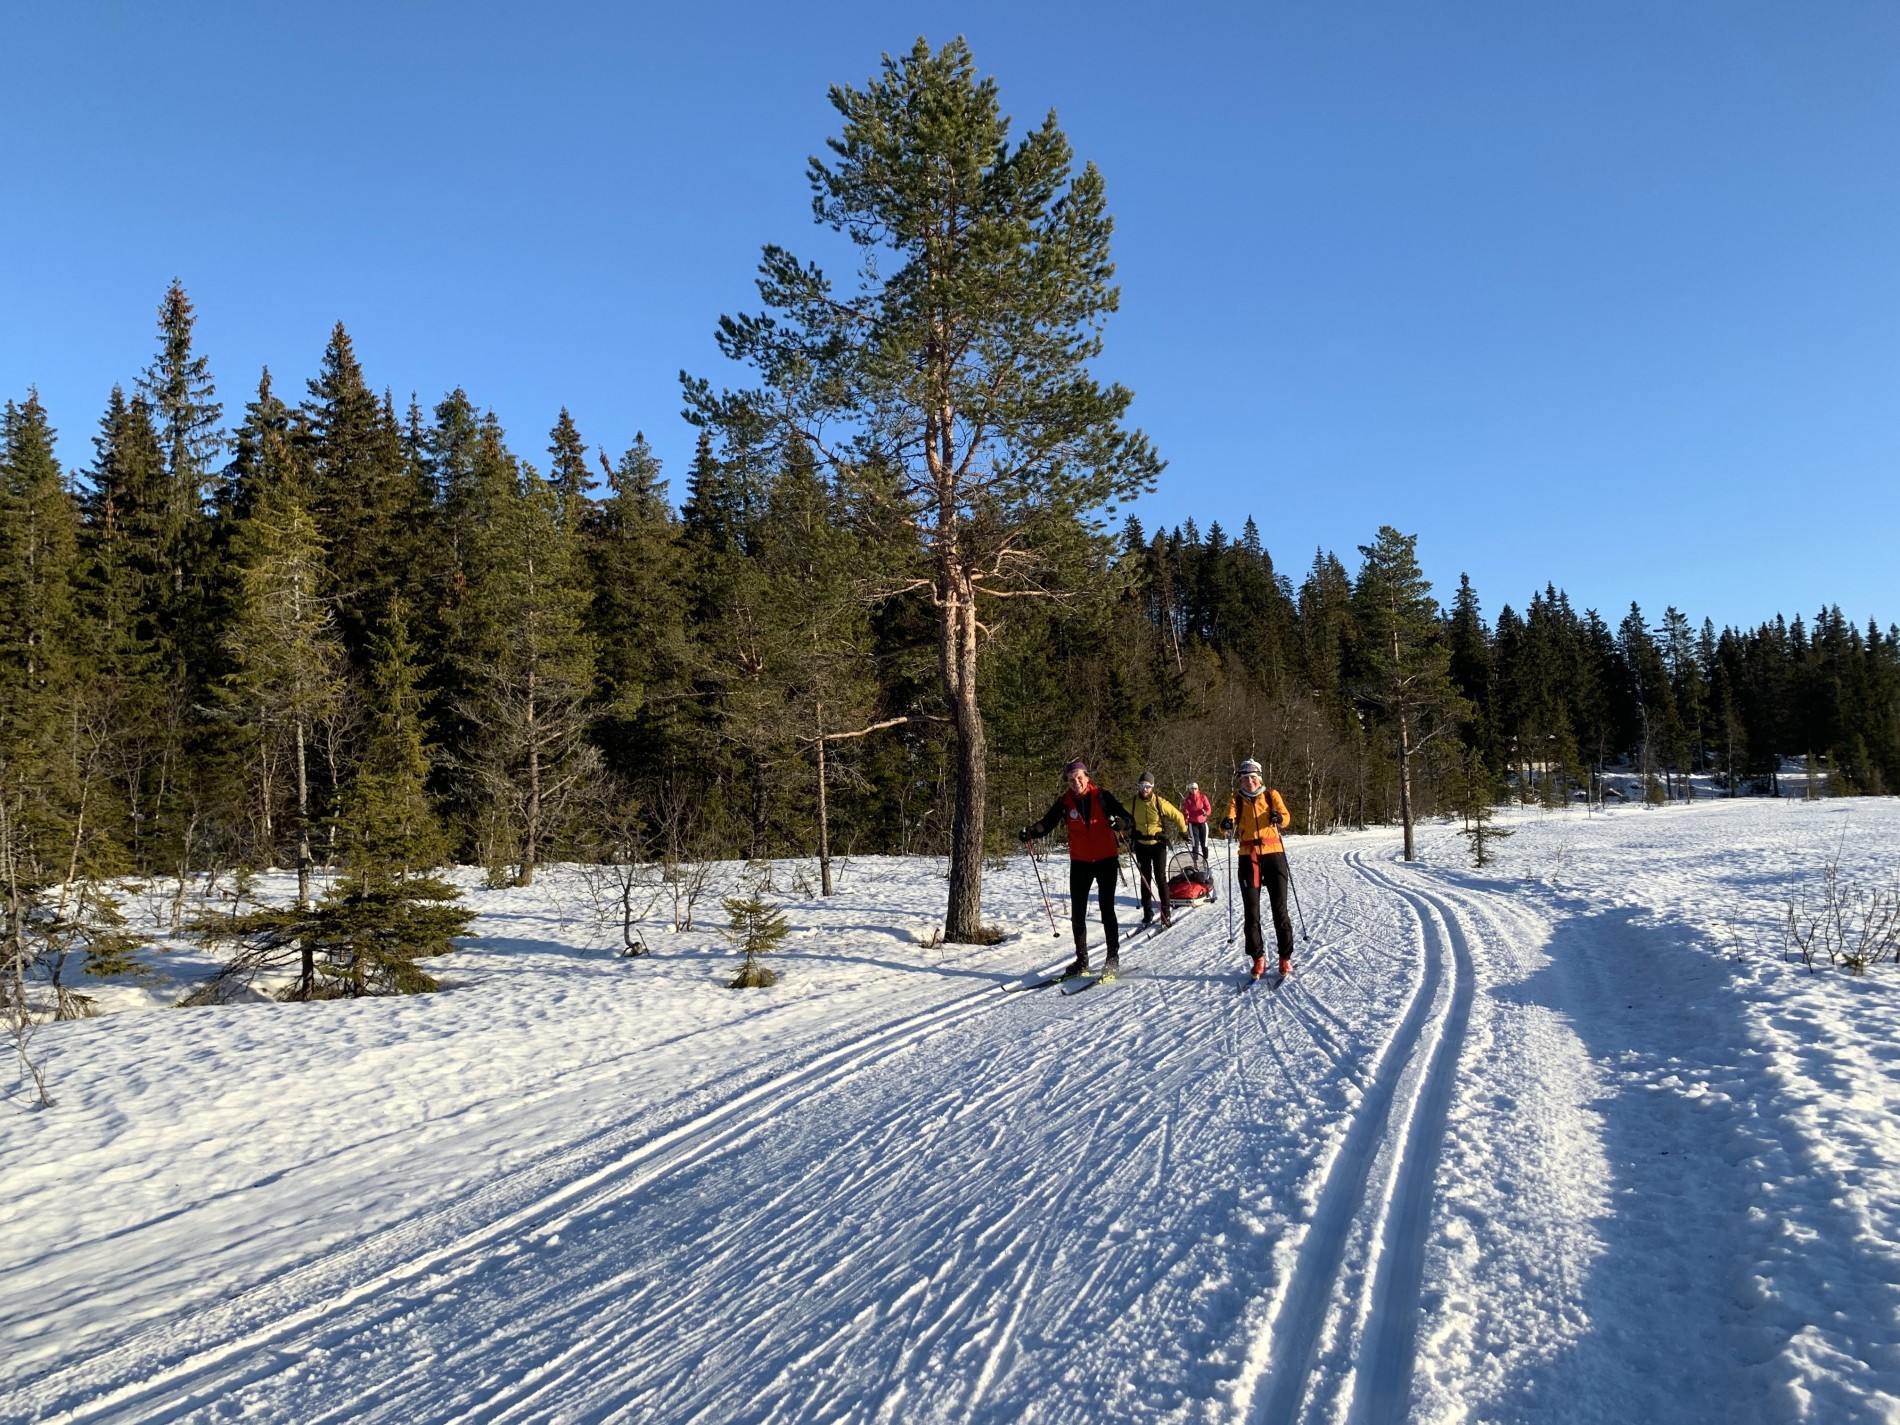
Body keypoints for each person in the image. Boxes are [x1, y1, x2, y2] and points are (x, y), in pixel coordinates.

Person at [1020, 760, 1133, 975]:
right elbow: (1047, 823)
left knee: (1107, 909)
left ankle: (1112, 958)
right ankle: (1082, 960)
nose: (1076, 782)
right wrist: (1030, 832)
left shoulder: (1103, 796)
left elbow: (1128, 819)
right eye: (1071, 780)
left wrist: (1121, 823)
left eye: (1079, 777)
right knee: (1078, 913)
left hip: (1106, 860)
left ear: (1087, 777)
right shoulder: (1065, 802)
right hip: (1080, 862)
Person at [1219, 758, 1295, 982]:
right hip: (1248, 856)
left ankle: (1284, 957)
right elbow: (1226, 819)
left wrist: (1278, 818)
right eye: (1245, 778)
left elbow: (1286, 818)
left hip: (1273, 855)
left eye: (1253, 777)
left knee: (1280, 909)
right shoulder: (1236, 799)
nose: (1249, 781)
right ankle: (1257, 957)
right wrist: (1226, 824)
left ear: (1259, 778)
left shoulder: (1271, 796)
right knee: (1251, 912)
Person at [1129, 773, 1188, 928]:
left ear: (1152, 787)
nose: (1144, 789)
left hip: (1158, 845)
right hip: (1141, 845)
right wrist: (1119, 827)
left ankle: (1165, 912)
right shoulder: (1133, 803)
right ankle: (1147, 912)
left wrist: (1183, 831)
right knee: (1145, 878)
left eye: (1148, 786)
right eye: (1142, 786)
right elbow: (1118, 813)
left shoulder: (1159, 802)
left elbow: (1178, 815)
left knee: (1160, 878)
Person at [1181, 780, 1212, 861]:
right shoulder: (1188, 800)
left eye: (1195, 788)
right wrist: (1186, 819)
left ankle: (1205, 860)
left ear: (1198, 789)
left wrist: (1206, 813)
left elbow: (1208, 808)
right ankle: (1195, 861)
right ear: (1189, 790)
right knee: (1195, 843)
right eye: (1192, 789)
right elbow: (1185, 811)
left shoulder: (1203, 797)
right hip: (1193, 824)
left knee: (1204, 843)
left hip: (1203, 823)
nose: (1193, 790)